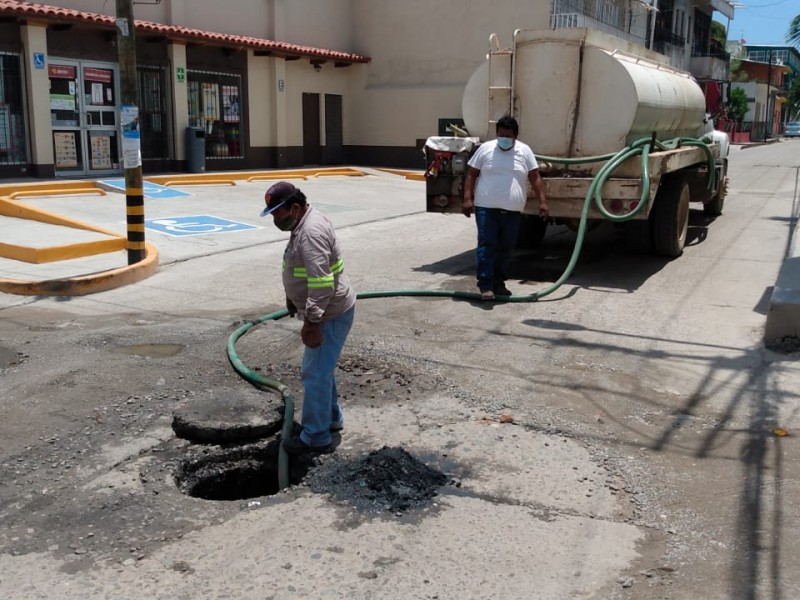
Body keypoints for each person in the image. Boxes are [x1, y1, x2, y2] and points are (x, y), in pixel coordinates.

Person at [260, 181, 356, 454]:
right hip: (327, 309)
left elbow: (323, 282)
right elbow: (301, 268)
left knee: (314, 374)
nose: (276, 218)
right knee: (322, 370)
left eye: (278, 212)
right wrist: (293, 298)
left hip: (329, 314)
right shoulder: (302, 223)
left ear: (296, 207)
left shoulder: (311, 231)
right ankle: (332, 419)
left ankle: (315, 438)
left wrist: (312, 322)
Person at [461, 115, 549, 300]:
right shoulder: (486, 149)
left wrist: (543, 202)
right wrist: (467, 198)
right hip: (486, 207)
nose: (503, 139)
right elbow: (471, 174)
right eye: (501, 135)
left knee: (506, 247)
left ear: (516, 136)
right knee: (487, 245)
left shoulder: (524, 151)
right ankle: (485, 285)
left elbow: (535, 177)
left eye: (508, 136)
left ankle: (498, 283)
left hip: (512, 210)